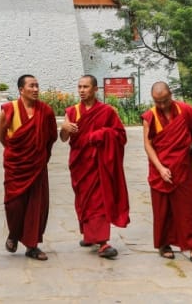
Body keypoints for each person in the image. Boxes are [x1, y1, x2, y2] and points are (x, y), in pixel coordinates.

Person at [141, 81, 192, 263]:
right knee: (163, 210)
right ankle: (164, 244)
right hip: (160, 170)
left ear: (171, 95)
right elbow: (148, 144)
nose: (162, 105)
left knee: (189, 208)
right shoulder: (150, 116)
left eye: (165, 100)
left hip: (182, 169)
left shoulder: (185, 110)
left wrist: (189, 154)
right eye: (158, 102)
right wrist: (160, 168)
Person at [59, 75, 130, 259]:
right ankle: (90, 235)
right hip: (80, 164)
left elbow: (120, 135)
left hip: (99, 165)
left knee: (98, 200)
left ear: (95, 89)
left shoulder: (107, 112)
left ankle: (103, 242)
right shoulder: (72, 111)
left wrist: (102, 134)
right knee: (83, 200)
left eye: (86, 87)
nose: (82, 90)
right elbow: (63, 138)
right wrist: (65, 128)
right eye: (79, 87)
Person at [0, 74, 57, 261]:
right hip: (16, 165)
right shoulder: (8, 110)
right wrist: (15, 151)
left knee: (36, 206)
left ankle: (32, 245)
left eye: (37, 85)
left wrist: (39, 154)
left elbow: (51, 137)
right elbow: (2, 137)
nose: (36, 89)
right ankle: (14, 233)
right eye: (31, 86)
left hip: (37, 165)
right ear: (21, 90)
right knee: (14, 204)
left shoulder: (46, 111)